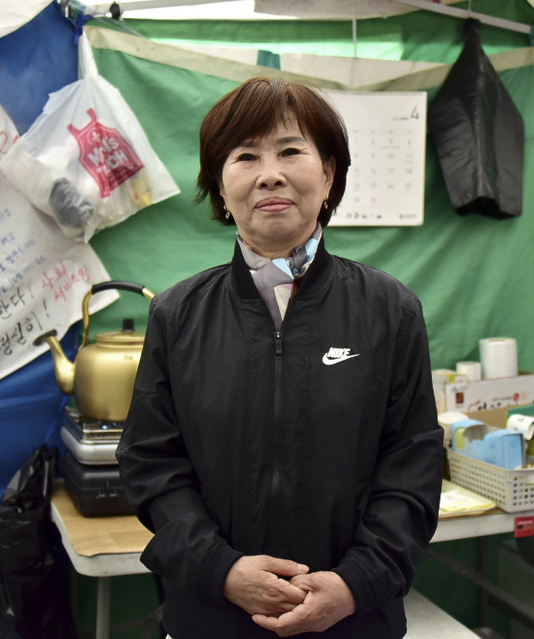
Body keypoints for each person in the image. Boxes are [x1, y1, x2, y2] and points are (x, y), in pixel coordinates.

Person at [116, 76, 443, 639]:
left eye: (291, 150)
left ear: (328, 173)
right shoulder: (177, 314)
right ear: (220, 187)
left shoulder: (390, 310)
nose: (270, 173)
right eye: (245, 156)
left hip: (353, 620)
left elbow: (412, 468)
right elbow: (153, 467)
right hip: (214, 616)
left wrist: (354, 584)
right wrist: (222, 570)